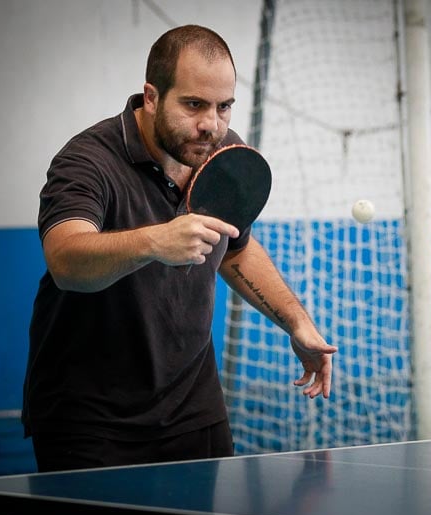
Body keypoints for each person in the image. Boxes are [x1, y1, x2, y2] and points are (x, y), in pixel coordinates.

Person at [22, 24, 337, 474]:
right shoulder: (88, 160)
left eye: (223, 106)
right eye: (194, 105)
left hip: (192, 407)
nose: (211, 124)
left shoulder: (221, 152)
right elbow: (66, 261)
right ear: (151, 97)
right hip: (88, 417)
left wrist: (297, 322)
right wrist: (156, 240)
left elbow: (235, 249)